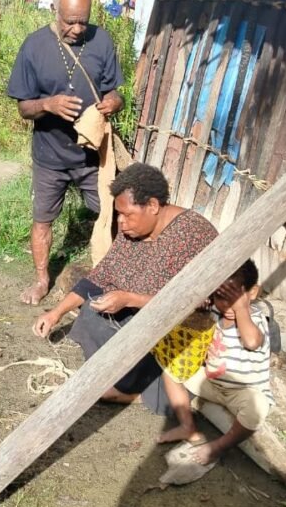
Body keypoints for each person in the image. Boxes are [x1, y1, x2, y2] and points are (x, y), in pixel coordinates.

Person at [32, 163, 216, 409]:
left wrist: (130, 299)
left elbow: (195, 303)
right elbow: (102, 275)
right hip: (138, 317)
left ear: (152, 206)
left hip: (177, 331)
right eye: (118, 214)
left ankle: (135, 393)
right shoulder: (133, 231)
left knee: (149, 361)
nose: (121, 222)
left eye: (127, 214)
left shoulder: (193, 234)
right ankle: (121, 377)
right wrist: (56, 313)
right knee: (90, 312)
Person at [8, 0, 125, 305]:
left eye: (83, 22)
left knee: (112, 214)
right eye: (69, 22)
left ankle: (114, 274)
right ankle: (42, 279)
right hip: (50, 157)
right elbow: (23, 108)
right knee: (43, 220)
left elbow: (115, 91)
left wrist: (114, 102)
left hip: (92, 157)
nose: (77, 29)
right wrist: (47, 104)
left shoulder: (101, 41)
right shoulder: (34, 46)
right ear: (53, 10)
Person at [158, 260, 272, 465]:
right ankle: (187, 426)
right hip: (212, 384)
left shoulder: (255, 318)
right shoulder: (216, 316)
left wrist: (242, 309)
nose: (228, 305)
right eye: (221, 297)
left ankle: (219, 446)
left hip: (242, 392)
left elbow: (252, 341)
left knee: (259, 407)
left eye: (234, 298)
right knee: (171, 371)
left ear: (252, 292)